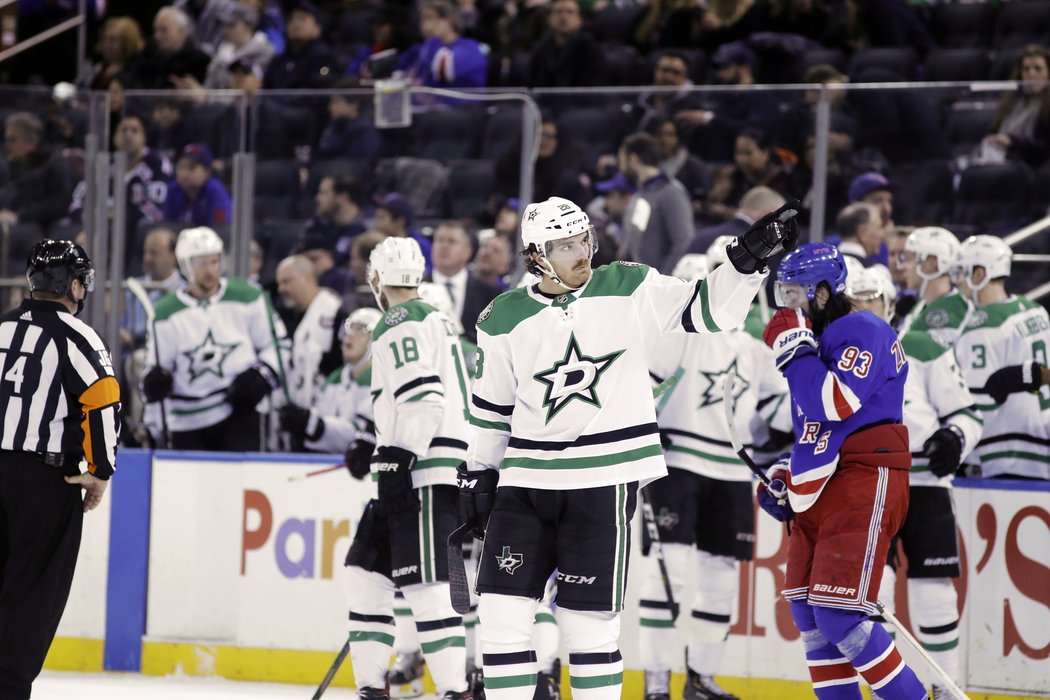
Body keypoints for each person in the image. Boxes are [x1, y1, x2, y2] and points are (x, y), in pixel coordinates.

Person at [460, 195, 796, 700]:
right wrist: (478, 472)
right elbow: (490, 410)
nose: (580, 253)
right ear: (535, 255)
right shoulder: (501, 317)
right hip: (525, 485)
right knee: (501, 620)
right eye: (564, 245)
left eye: (582, 240)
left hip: (601, 483)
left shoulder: (629, 284)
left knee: (588, 629)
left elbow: (708, 310)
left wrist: (746, 262)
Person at [756, 242, 927, 700]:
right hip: (828, 483)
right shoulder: (812, 346)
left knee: (839, 615)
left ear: (824, 292)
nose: (785, 306)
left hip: (866, 477)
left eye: (795, 294)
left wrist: (795, 352)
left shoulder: (863, 328)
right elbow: (814, 430)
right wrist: (784, 479)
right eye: (782, 294)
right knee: (810, 619)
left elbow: (835, 403)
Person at [641, 253, 790, 700]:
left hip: (730, 472)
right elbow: (644, 386)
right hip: (678, 465)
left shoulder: (756, 349)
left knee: (719, 576)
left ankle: (701, 679)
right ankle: (656, 681)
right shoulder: (680, 333)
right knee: (669, 574)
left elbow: (780, 411)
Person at [343, 237, 472, 700]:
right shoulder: (433, 317)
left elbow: (423, 396)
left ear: (376, 278)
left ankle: (457, 691)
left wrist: (400, 459)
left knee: (427, 586)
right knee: (365, 572)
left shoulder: (398, 319)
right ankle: (371, 689)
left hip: (423, 470)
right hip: (422, 466)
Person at [845, 264, 981, 699]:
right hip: (868, 485)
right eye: (857, 300)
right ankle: (896, 690)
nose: (865, 308)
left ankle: (944, 688)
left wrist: (954, 437)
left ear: (889, 304)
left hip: (923, 482)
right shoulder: (841, 356)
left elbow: (966, 413)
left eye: (872, 299)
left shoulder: (921, 345)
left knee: (933, 592)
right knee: (873, 595)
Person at [0, 240, 118, 698]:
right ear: (72, 285)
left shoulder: (2, 327)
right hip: (43, 484)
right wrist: (100, 471)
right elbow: (103, 401)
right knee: (30, 598)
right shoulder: (76, 335)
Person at [141, 227, 285, 451]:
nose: (210, 270)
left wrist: (262, 374)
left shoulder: (249, 296)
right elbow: (158, 367)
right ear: (186, 266)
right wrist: (154, 381)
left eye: (214, 261)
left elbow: (277, 346)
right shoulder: (166, 312)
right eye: (201, 264)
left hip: (239, 412)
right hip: (187, 420)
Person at [952, 236, 1050, 480]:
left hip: (1007, 450)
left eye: (965, 272)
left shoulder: (980, 329)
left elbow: (980, 405)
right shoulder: (1035, 310)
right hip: (1042, 436)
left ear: (981, 273)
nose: (960, 282)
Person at [274, 255, 348, 447]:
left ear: (307, 279)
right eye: (279, 283)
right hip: (299, 424)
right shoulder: (291, 319)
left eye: (286, 281)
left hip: (328, 423)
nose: (281, 289)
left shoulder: (336, 313)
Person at [619, 132, 694, 274]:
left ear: (633, 158)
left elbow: (684, 243)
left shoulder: (671, 193)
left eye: (622, 160)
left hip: (659, 287)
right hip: (640, 285)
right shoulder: (641, 194)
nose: (621, 168)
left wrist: (662, 280)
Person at [0, 111, 77, 229]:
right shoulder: (11, 163)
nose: (7, 146)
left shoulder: (55, 163)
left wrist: (20, 216)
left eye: (12, 140)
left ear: (32, 142)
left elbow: (59, 203)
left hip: (43, 228)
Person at [895, 226, 971, 343]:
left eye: (909, 258)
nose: (903, 267)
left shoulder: (955, 309)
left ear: (931, 263)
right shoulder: (922, 305)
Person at [430, 221, 501, 344]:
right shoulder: (414, 289)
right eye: (439, 240)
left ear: (467, 251)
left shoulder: (490, 293)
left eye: (451, 241)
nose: (444, 246)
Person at [981, 44, 1050, 171]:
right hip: (1002, 161)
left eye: (1038, 69)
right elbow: (992, 132)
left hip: (1032, 167)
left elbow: (1045, 150)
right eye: (1026, 69)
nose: (1031, 74)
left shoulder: (1047, 107)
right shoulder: (1012, 102)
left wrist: (1012, 142)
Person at [409, 0, 488, 89]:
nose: (424, 25)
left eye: (429, 18)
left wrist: (433, 40)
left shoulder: (470, 49)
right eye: (422, 19)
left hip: (463, 102)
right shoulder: (422, 48)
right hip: (428, 103)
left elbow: (442, 71)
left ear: (448, 20)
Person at [527, 0, 606, 87]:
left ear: (579, 20)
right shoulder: (540, 49)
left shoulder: (591, 49)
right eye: (559, 12)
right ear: (549, 18)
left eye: (570, 12)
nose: (564, 17)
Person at [163, 143, 232, 227]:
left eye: (191, 168)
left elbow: (220, 228)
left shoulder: (215, 191)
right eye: (181, 167)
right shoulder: (173, 189)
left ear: (207, 171)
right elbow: (167, 225)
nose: (184, 174)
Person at [374, 193, 434, 275]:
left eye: (382, 218)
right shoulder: (375, 243)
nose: (376, 224)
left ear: (400, 221)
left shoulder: (419, 245)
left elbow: (426, 274)